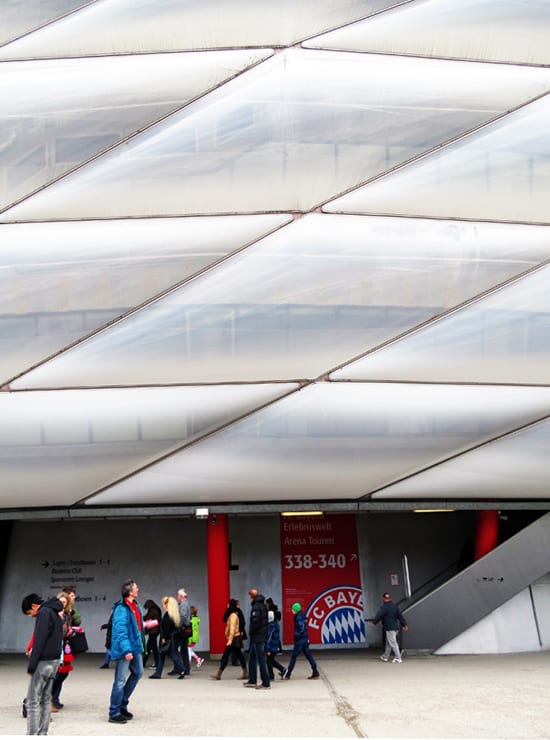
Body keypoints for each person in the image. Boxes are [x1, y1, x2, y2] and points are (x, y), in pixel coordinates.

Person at [21, 592, 64, 736]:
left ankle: (32, 735)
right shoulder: (55, 611)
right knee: (46, 699)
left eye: (29, 612)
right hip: (54, 661)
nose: (30, 615)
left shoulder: (44, 613)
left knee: (32, 701)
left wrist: (31, 665)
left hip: (43, 662)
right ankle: (42, 733)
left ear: (34, 606)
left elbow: (39, 640)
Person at [108, 579, 145, 724]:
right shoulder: (121, 608)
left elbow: (136, 627)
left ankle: (122, 703)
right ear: (130, 592)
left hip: (135, 647)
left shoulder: (135, 606)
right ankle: (114, 712)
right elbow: (120, 631)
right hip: (127, 648)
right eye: (136, 588)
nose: (138, 589)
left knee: (138, 672)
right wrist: (126, 649)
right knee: (120, 681)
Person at [51, 590, 76, 711]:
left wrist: (70, 631)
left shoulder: (68, 614)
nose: (62, 604)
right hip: (55, 645)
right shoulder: (52, 613)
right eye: (61, 601)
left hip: (64, 644)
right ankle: (50, 699)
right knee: (56, 673)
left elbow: (68, 627)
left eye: (65, 602)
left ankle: (54, 698)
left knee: (63, 673)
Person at [210, 598, 247, 680]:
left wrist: (230, 640)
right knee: (239, 655)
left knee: (226, 655)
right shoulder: (232, 614)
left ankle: (219, 673)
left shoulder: (233, 615)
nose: (227, 606)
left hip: (234, 638)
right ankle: (245, 671)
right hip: (235, 637)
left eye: (228, 604)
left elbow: (232, 628)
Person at [369, 592, 408, 663]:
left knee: (392, 642)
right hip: (395, 628)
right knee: (388, 643)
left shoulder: (384, 607)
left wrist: (374, 623)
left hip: (389, 628)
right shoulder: (395, 606)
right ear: (390, 598)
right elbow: (400, 616)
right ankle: (385, 656)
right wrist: (404, 624)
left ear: (383, 599)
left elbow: (379, 615)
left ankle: (398, 657)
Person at [283, 602, 319, 680]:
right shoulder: (301, 616)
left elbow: (301, 627)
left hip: (300, 641)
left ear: (295, 610)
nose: (292, 611)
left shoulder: (298, 617)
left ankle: (288, 673)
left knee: (293, 656)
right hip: (305, 639)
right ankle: (315, 671)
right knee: (309, 656)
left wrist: (297, 635)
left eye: (293, 609)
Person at [243, 588, 270, 689]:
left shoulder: (256, 607)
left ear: (251, 596)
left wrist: (251, 632)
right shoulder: (263, 605)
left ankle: (266, 682)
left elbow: (255, 622)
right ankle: (252, 679)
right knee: (252, 658)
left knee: (261, 660)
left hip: (258, 636)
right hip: (259, 636)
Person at [266, 609, 286, 680]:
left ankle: (271, 676)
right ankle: (282, 670)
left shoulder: (270, 627)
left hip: (271, 647)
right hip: (275, 646)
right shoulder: (275, 625)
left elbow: (269, 639)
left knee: (269, 661)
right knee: (271, 661)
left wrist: (268, 649)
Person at [176, 588, 191, 676]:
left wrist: (179, 625)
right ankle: (186, 668)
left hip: (182, 629)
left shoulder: (183, 605)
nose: (177, 597)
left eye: (178, 595)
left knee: (176, 649)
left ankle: (182, 668)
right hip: (186, 628)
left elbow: (183, 616)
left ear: (181, 596)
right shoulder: (187, 603)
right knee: (184, 649)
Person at [142, 599, 161, 669]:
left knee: (153, 647)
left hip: (153, 631)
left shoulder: (152, 611)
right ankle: (143, 662)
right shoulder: (157, 610)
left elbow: (147, 618)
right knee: (149, 647)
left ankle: (157, 663)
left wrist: (141, 617)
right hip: (155, 630)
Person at [188, 605, 204, 669]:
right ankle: (198, 659)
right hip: (194, 637)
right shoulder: (196, 619)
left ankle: (188, 665)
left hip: (190, 638)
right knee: (189, 650)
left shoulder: (191, 620)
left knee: (188, 651)